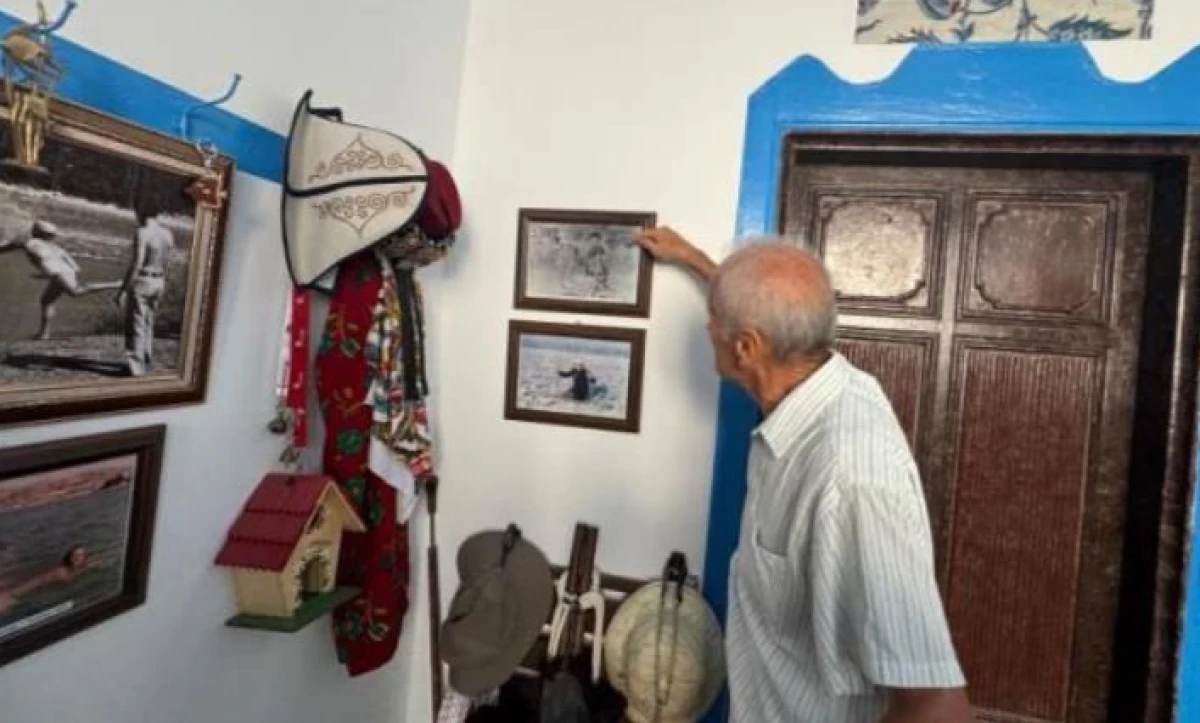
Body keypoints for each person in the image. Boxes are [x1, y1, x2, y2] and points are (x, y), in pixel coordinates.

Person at [636, 227, 971, 723]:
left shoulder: (848, 479)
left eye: (714, 319)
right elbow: (770, 311)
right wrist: (693, 259)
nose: (708, 326)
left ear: (746, 348)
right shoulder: (821, 381)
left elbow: (937, 707)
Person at [0, 219, 123, 340]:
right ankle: (44, 334)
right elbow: (75, 267)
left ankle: (117, 284)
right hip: (65, 272)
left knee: (77, 291)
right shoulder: (57, 248)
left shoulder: (27, 242)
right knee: (47, 301)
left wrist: (50, 274)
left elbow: (5, 248)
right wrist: (49, 274)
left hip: (59, 274)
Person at [117, 205, 172, 377]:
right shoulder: (167, 234)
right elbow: (167, 261)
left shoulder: (142, 233)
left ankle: (136, 368)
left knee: (136, 324)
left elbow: (137, 262)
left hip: (143, 279)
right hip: (159, 279)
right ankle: (147, 360)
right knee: (149, 321)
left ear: (141, 214)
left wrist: (123, 289)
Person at [0, 545, 91, 616]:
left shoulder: (73, 570)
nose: (77, 557)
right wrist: (12, 594)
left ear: (85, 558)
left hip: (27, 594)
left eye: (81, 555)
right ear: (69, 557)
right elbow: (39, 580)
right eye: (74, 555)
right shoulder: (61, 571)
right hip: (17, 593)